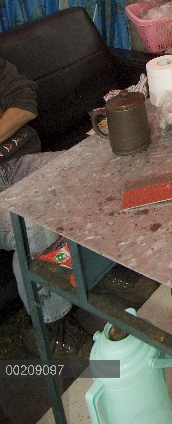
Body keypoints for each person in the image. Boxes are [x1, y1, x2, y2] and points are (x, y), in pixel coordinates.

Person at [0, 57, 94, 360]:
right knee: (33, 221)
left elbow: (25, 104)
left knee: (87, 168)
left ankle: (97, 270)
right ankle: (46, 324)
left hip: (13, 164)